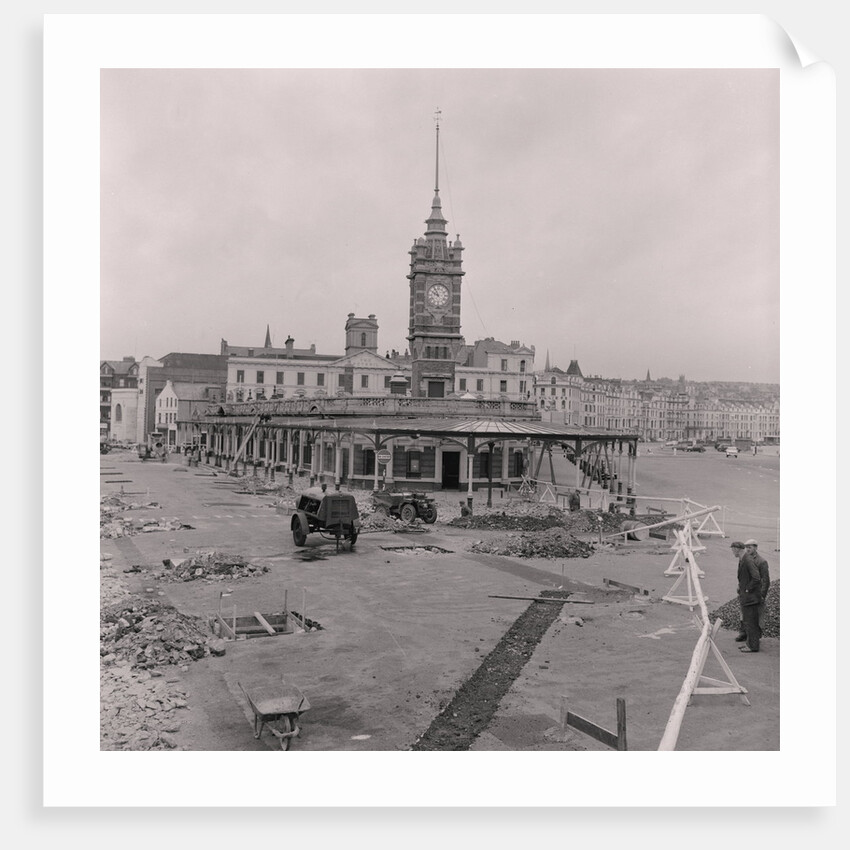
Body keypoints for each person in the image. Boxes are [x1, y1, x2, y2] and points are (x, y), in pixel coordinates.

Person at [731, 541, 762, 652]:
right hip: (746, 596)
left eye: (733, 550)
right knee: (748, 621)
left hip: (750, 598)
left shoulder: (747, 560)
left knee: (751, 622)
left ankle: (753, 646)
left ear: (737, 549)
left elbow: (756, 578)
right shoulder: (742, 560)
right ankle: (750, 644)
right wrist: (741, 587)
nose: (732, 552)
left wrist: (747, 589)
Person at [745, 538, 771, 633]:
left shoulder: (762, 562)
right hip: (747, 593)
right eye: (746, 548)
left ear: (755, 548)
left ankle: (756, 639)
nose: (747, 549)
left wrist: (762, 595)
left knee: (757, 617)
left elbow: (766, 580)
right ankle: (746, 635)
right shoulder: (745, 559)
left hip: (757, 594)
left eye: (750, 547)